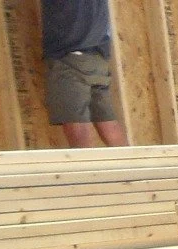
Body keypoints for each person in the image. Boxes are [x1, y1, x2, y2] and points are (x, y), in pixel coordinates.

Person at [41, 0, 128, 147]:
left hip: (70, 54)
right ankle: (129, 161)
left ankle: (86, 163)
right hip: (98, 55)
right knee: (106, 122)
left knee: (75, 123)